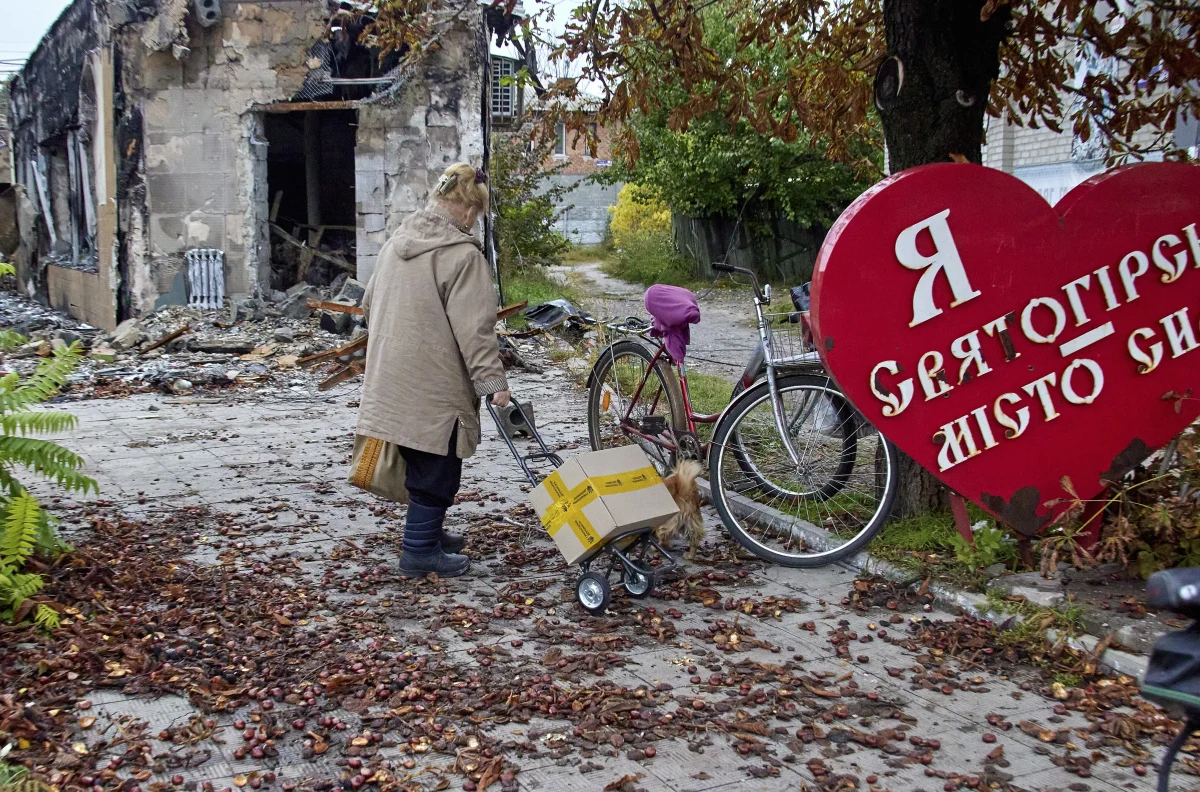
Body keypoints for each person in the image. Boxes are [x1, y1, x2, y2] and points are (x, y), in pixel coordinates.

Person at [355, 162, 511, 578]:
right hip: (433, 383)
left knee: (418, 457)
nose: (474, 220)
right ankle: (419, 551)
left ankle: (428, 534)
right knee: (438, 467)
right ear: (464, 208)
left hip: (389, 376)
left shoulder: (396, 243)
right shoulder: (461, 257)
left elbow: (368, 305)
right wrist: (493, 382)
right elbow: (475, 329)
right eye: (475, 212)